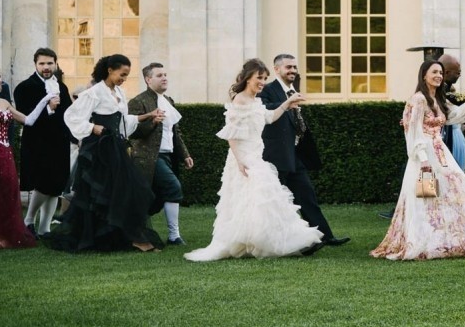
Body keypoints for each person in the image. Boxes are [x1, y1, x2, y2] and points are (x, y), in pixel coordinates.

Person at [371, 60, 465, 260]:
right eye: (434, 72)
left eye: (440, 72)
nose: (438, 75)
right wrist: (423, 160)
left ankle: (452, 237)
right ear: (424, 75)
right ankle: (423, 241)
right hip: (424, 157)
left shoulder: (438, 99)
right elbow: (412, 131)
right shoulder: (418, 100)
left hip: (440, 152)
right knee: (426, 197)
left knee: (456, 186)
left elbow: (456, 115)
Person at [186, 60, 324, 261]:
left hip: (257, 155)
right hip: (244, 157)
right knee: (254, 197)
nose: (263, 82)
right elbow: (232, 135)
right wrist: (240, 161)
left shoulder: (256, 100)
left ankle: (280, 240)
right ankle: (258, 241)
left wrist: (286, 104)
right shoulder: (240, 100)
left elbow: (269, 117)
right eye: (259, 78)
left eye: (265, 78)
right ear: (248, 78)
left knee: (265, 199)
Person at [52, 55, 164, 253]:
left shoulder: (119, 92)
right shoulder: (94, 93)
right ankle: (121, 239)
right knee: (102, 194)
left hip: (115, 147)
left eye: (127, 75)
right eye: (122, 74)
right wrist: (92, 127)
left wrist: (148, 115)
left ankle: (129, 237)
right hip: (99, 149)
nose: (124, 79)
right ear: (110, 70)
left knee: (125, 191)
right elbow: (71, 116)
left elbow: (122, 121)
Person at [259, 54, 349, 248]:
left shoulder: (293, 90)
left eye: (294, 67)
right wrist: (286, 104)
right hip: (275, 156)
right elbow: (262, 110)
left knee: (307, 195)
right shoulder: (267, 90)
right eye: (288, 67)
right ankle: (279, 241)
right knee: (277, 201)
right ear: (277, 69)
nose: (292, 70)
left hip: (294, 155)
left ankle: (325, 236)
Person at [128, 63, 194, 246]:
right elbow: (132, 132)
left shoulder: (169, 101)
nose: (164, 78)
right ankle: (174, 236)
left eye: (165, 74)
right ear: (148, 79)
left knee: (156, 197)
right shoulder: (138, 101)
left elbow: (175, 132)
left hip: (167, 156)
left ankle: (140, 229)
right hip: (148, 158)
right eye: (159, 75)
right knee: (173, 187)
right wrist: (153, 122)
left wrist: (185, 155)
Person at [14, 48, 73, 236]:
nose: (46, 67)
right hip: (37, 143)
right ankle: (29, 219)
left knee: (56, 186)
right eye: (42, 63)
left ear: (55, 63)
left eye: (49, 63)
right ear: (35, 64)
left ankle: (44, 228)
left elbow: (68, 115)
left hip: (60, 143)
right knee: (43, 184)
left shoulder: (61, 87)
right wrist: (48, 108)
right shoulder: (24, 87)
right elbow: (25, 118)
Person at [0, 97, 38, 249]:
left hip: (5, 152)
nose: (0, 85)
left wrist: (46, 102)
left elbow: (28, 120)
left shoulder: (4, 102)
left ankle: (5, 234)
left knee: (8, 190)